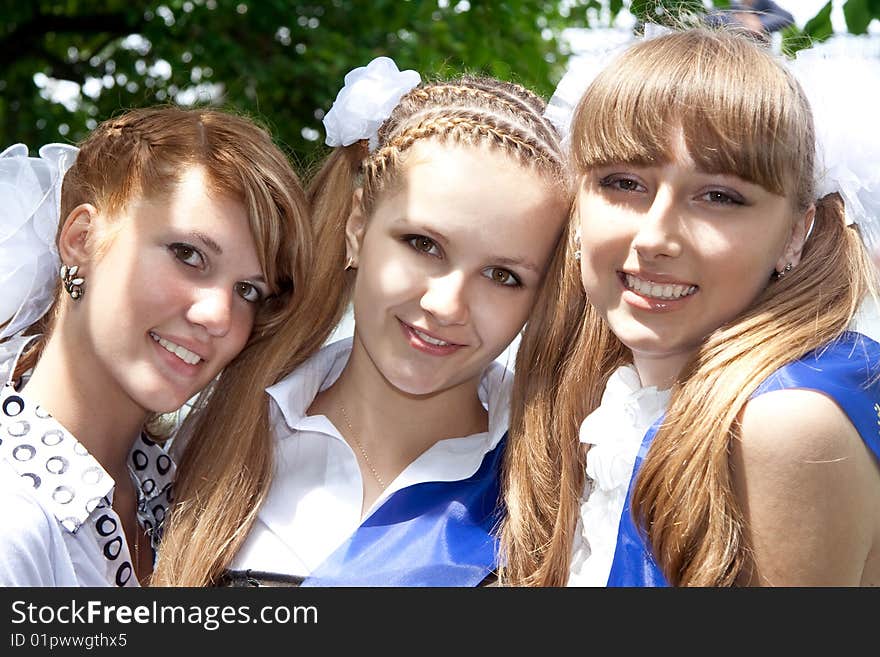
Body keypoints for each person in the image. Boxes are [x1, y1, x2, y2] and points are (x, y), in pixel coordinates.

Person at [152, 56, 570, 586]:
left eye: (503, 275)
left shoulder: (559, 484)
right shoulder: (220, 434)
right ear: (357, 227)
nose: (447, 305)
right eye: (424, 245)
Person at [499, 26, 880, 586]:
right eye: (624, 182)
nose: (656, 237)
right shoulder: (586, 396)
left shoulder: (783, 422)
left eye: (720, 197)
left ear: (796, 234)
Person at [0, 106, 312, 587]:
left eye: (249, 290)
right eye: (189, 255)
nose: (219, 316)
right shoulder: (13, 522)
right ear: (82, 239)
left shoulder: (180, 492)